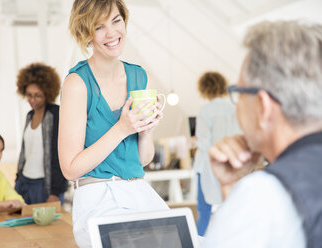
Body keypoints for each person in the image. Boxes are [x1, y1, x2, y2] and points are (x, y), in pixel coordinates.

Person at [202, 21, 322, 247]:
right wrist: (232, 190)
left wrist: (238, 196)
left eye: (238, 93)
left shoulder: (263, 194)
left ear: (263, 105)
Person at [59, 0, 169, 246]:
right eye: (99, 27)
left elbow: (142, 159)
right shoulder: (77, 83)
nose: (111, 33)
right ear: (85, 32)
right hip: (98, 198)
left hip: (139, 193)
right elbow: (70, 169)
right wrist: (122, 128)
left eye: (116, 21)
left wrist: (146, 131)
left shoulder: (139, 76)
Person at [193, 72, 241, 236]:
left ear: (204, 89)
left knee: (204, 210)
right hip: (231, 163)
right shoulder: (233, 109)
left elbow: (203, 141)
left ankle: (199, 242)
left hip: (207, 164)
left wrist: (195, 141)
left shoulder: (205, 110)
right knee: (232, 206)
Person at [15, 62, 68, 205]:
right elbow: (25, 152)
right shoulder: (29, 115)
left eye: (37, 95)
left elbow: (61, 154)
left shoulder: (56, 114)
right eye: (29, 95)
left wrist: (55, 192)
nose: (32, 100)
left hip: (46, 187)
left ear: (47, 93)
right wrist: (17, 180)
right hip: (24, 183)